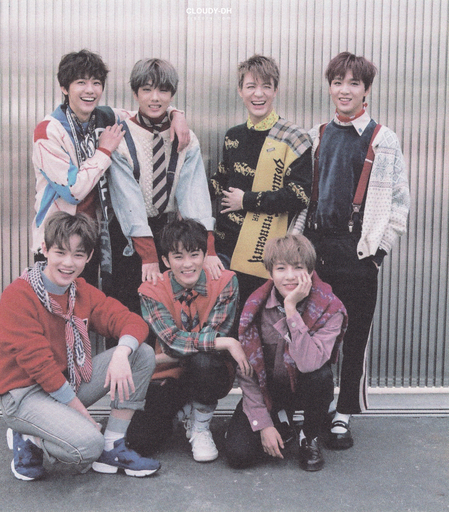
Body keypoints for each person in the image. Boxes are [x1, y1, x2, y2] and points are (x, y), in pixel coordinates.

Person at [0, 212, 160, 480]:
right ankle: (29, 436)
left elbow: (131, 321)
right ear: (44, 249)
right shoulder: (19, 295)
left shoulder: (80, 291)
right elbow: (41, 367)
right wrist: (85, 418)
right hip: (24, 394)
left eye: (78, 255)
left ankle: (113, 446)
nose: (68, 263)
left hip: (66, 382)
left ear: (89, 257)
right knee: (88, 445)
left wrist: (121, 352)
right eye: (60, 252)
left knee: (140, 353)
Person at [299, 52, 410, 449]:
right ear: (329, 87)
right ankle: (319, 407)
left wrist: (377, 254)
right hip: (317, 251)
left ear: (366, 90)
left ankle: (344, 413)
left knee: (355, 337)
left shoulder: (382, 138)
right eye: (337, 82)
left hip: (359, 252)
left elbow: (399, 202)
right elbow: (304, 199)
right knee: (315, 335)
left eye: (353, 83)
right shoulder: (317, 135)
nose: (344, 90)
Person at [31, 49, 189, 305]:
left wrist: (176, 115)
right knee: (53, 309)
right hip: (56, 240)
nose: (90, 90)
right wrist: (104, 151)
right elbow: (73, 190)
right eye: (81, 82)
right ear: (64, 87)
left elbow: (147, 110)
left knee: (85, 308)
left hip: (91, 239)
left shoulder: (104, 116)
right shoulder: (48, 130)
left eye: (96, 83)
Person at [127, 218, 252, 462]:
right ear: (165, 261)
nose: (187, 264)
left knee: (203, 361)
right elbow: (172, 341)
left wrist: (215, 343)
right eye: (178, 257)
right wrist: (227, 342)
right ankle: (182, 411)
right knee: (139, 441)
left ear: (205, 256)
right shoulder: (150, 290)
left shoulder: (226, 281)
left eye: (194, 255)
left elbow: (213, 338)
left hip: (210, 370)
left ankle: (201, 426)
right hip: (168, 373)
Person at [107, 58, 224, 316]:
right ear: (135, 93)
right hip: (128, 235)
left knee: (169, 313)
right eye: (146, 90)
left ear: (172, 94)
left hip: (169, 234)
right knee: (129, 309)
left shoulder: (186, 137)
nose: (155, 98)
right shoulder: (121, 136)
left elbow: (194, 196)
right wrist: (148, 255)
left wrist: (208, 249)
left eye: (163, 90)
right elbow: (127, 201)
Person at [225, 235, 347, 471]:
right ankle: (280, 419)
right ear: (270, 272)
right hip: (269, 389)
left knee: (321, 377)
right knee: (239, 455)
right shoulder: (255, 305)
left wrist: (291, 309)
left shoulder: (330, 308)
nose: (290, 276)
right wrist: (263, 425)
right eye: (281, 268)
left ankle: (309, 437)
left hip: (305, 386)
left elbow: (309, 363)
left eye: (298, 267)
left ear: (310, 271)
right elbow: (247, 372)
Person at [209, 55, 313, 309]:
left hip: (267, 254)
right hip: (226, 250)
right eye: (251, 86)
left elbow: (300, 195)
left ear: (275, 90)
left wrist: (246, 200)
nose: (258, 94)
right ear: (240, 90)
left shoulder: (294, 137)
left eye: (266, 86)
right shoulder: (233, 136)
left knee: (261, 324)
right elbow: (221, 180)